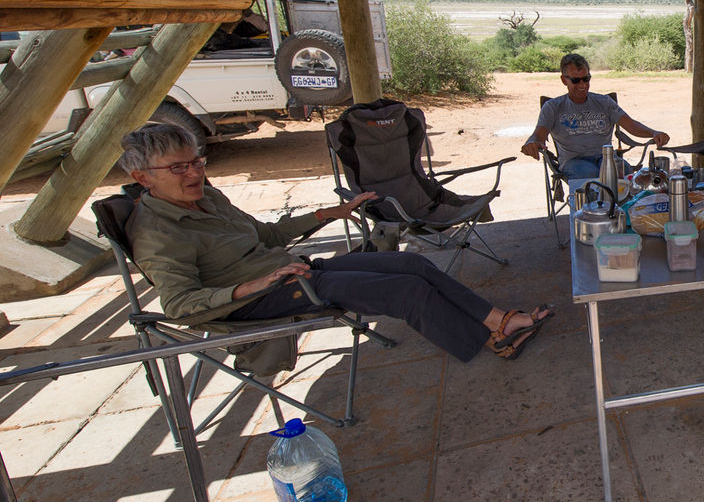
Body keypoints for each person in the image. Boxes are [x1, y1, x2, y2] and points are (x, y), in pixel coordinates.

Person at [121, 124, 552, 363]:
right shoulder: (156, 233)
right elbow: (179, 305)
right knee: (405, 293)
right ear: (143, 177)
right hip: (256, 298)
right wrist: (252, 286)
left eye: (197, 162)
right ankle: (489, 338)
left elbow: (264, 235)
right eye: (178, 167)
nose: (194, 173)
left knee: (416, 266)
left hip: (292, 272)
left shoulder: (209, 198)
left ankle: (501, 321)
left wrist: (327, 215)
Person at [520, 53, 670, 179]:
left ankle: (625, 212)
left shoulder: (604, 102)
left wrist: (653, 132)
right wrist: (532, 143)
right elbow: (538, 135)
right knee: (590, 173)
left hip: (606, 157)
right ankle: (591, 213)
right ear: (564, 80)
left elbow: (631, 125)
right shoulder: (553, 107)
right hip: (573, 161)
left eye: (586, 78)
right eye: (575, 80)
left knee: (622, 170)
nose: (582, 84)